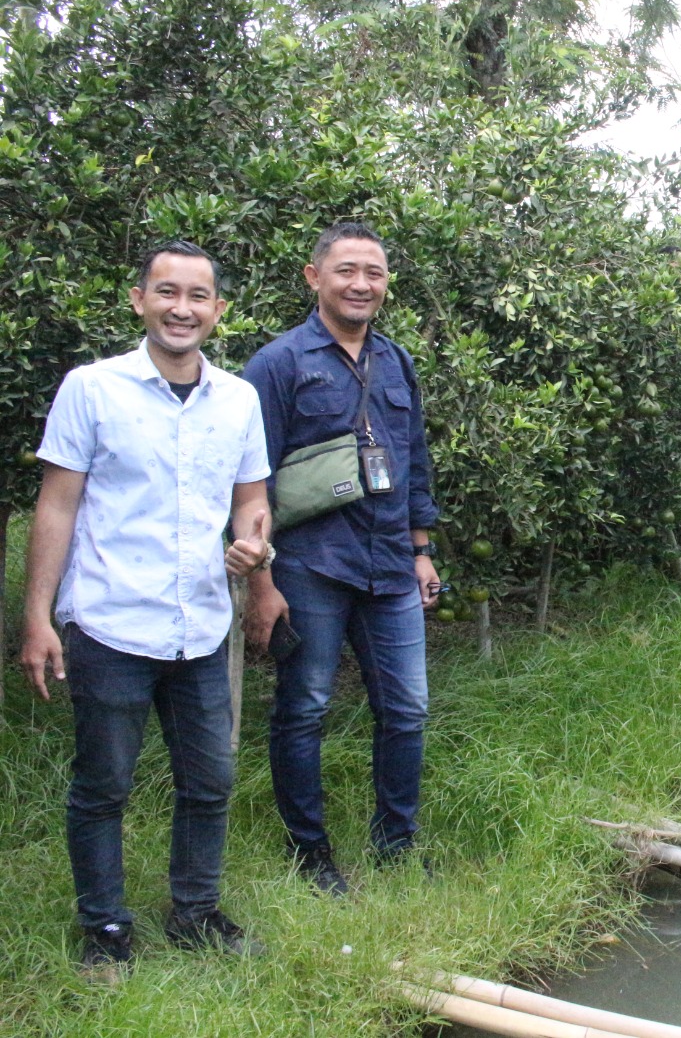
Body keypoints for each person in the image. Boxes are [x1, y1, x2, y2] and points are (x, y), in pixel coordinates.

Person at [20, 239, 273, 979]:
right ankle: (105, 928)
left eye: (198, 296)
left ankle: (195, 913)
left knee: (210, 782)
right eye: (167, 292)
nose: (181, 308)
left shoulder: (239, 399)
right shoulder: (91, 389)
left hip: (200, 627)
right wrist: (37, 616)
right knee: (103, 786)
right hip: (109, 624)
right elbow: (57, 506)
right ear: (139, 300)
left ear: (218, 311)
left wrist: (253, 548)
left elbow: (252, 501)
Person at [242, 222, 441, 896]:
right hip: (310, 565)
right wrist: (261, 581)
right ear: (314, 277)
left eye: (375, 273)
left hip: (390, 564)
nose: (361, 284)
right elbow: (250, 480)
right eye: (347, 271)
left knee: (407, 710)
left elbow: (413, 460)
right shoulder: (279, 363)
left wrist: (420, 550)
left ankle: (396, 844)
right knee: (304, 709)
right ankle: (311, 852)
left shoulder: (397, 361)